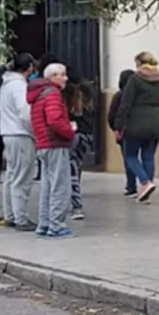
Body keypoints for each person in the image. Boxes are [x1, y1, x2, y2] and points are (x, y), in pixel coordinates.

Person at [29, 63, 76, 238]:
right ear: (52, 77)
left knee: (47, 185)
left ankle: (44, 223)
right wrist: (70, 131)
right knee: (60, 185)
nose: (65, 78)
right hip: (55, 143)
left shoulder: (39, 94)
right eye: (62, 75)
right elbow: (55, 120)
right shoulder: (53, 94)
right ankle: (56, 225)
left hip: (43, 143)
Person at [115, 51, 159, 203]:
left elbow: (126, 103)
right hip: (156, 122)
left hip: (136, 122)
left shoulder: (135, 79)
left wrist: (119, 125)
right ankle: (146, 190)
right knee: (148, 156)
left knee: (130, 155)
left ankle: (145, 182)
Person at [0, 54, 38, 231]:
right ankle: (20, 217)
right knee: (22, 177)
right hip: (21, 134)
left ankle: (11, 215)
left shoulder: (6, 84)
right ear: (29, 67)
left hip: (8, 133)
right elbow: (25, 113)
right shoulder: (19, 86)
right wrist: (35, 132)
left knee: (12, 175)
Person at [66, 78, 96, 222]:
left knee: (71, 170)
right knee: (76, 169)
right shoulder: (89, 106)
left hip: (75, 137)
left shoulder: (72, 106)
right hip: (86, 137)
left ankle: (75, 205)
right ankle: (74, 201)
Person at [107, 69, 137, 195]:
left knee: (128, 158)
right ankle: (145, 182)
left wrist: (116, 129)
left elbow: (112, 114)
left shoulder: (119, 95)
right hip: (140, 129)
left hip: (125, 131)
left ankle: (131, 186)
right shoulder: (140, 95)